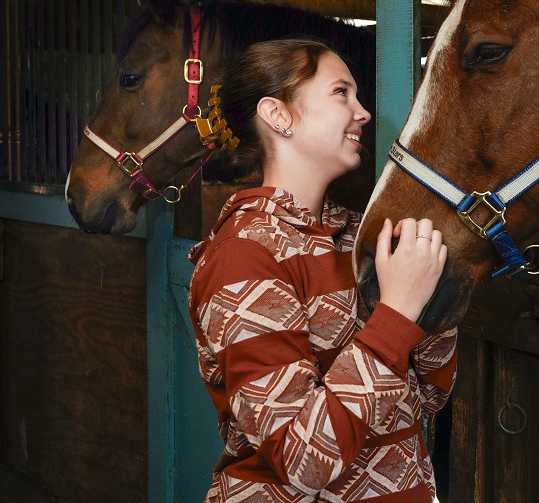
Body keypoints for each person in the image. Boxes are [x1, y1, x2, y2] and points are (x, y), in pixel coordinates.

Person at [188, 38, 457, 503]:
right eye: (341, 93)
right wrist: (397, 311)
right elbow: (302, 460)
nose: (363, 112)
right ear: (278, 115)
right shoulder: (241, 256)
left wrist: (433, 288)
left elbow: (427, 395)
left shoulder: (359, 235)